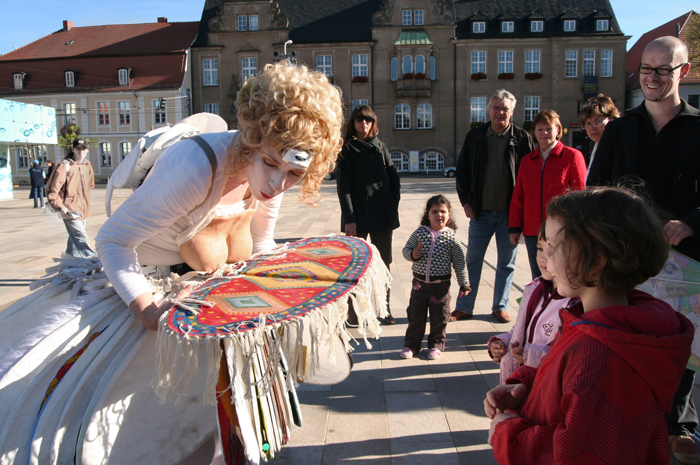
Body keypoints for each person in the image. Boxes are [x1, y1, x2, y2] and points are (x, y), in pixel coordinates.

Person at [0, 61, 345, 464]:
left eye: (294, 173)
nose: (276, 184)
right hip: (147, 298)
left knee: (216, 431)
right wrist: (146, 308)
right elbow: (112, 240)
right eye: (270, 164)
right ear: (252, 139)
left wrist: (295, 284)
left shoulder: (275, 171)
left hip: (208, 311)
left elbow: (261, 243)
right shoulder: (195, 168)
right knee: (139, 438)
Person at [484, 187, 694, 465]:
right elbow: (571, 388)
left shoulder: (599, 352)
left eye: (554, 248)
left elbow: (577, 454)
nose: (545, 258)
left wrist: (506, 433)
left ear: (595, 261)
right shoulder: (597, 324)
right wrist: (526, 386)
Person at [588, 36, 700, 464]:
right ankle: (628, 416)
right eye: (646, 70)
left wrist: (691, 220)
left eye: (662, 70)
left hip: (687, 256)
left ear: (682, 73)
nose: (651, 78)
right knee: (626, 336)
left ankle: (679, 425)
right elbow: (596, 190)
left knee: (682, 340)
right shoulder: (620, 129)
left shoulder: (697, 128)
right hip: (627, 254)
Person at [453, 89, 535, 323]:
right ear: (489, 110)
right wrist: (466, 202)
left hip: (510, 215)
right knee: (472, 261)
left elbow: (528, 176)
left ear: (512, 111)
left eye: (505, 109)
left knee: (506, 263)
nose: (500, 113)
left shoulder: (522, 138)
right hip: (480, 212)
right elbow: (463, 172)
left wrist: (522, 213)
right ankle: (464, 306)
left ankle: (500, 306)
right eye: (496, 108)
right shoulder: (475, 136)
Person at [336, 104, 400, 325]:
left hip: (382, 215)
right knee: (355, 266)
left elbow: (394, 177)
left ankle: (385, 310)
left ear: (373, 124)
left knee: (384, 264)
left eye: (368, 120)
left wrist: (393, 201)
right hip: (358, 218)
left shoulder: (380, 146)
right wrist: (349, 219)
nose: (364, 123)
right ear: (352, 123)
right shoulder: (347, 150)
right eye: (359, 119)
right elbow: (343, 188)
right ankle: (354, 314)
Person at [488, 223, 574, 383]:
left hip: (543, 386)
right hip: (518, 383)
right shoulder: (535, 290)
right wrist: (502, 343)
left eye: (552, 250)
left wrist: (530, 355)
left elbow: (568, 356)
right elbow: (520, 331)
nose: (542, 257)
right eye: (540, 248)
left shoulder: (574, 304)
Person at [508, 110, 586, 279]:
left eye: (549, 129)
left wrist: (578, 227)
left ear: (558, 130)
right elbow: (519, 196)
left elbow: (580, 195)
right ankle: (541, 305)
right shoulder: (527, 161)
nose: (544, 133)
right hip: (533, 230)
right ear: (534, 133)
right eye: (539, 129)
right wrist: (514, 227)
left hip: (561, 230)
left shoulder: (572, 156)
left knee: (562, 275)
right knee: (539, 276)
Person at [400, 195, 470, 360]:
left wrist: (464, 283)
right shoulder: (420, 233)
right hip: (419, 286)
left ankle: (435, 345)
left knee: (440, 318)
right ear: (428, 214)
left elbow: (459, 262)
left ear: (449, 215)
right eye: (434, 211)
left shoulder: (451, 237)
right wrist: (412, 254)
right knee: (416, 316)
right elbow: (406, 249)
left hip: (440, 287)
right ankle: (411, 344)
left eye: (443, 212)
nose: (439, 215)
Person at [46, 138, 96, 258]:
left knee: (73, 244)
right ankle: (96, 261)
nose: (81, 152)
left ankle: (69, 264)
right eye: (78, 149)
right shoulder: (64, 166)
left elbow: (90, 185)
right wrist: (61, 207)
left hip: (84, 210)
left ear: (87, 150)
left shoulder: (87, 165)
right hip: (70, 210)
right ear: (73, 149)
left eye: (83, 149)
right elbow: (53, 191)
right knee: (81, 238)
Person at [577, 94, 620, 180]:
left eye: (597, 121)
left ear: (611, 120)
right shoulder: (597, 147)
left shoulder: (619, 149)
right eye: (588, 123)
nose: (592, 127)